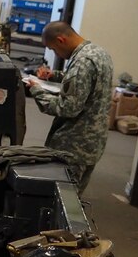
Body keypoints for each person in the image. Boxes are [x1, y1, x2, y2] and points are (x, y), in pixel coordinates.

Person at [25, 22, 114, 194]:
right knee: (74, 199)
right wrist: (55, 76)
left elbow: (67, 108)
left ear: (61, 40)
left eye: (53, 49)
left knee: (61, 199)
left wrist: (36, 90)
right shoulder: (98, 53)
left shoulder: (82, 62)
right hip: (92, 143)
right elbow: (85, 82)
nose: (55, 53)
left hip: (73, 145)